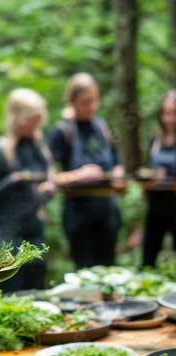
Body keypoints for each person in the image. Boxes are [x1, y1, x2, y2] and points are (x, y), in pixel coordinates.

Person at [48, 72, 124, 270]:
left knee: (109, 268)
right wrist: (80, 174)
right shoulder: (62, 131)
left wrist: (117, 173)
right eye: (86, 102)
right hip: (78, 214)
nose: (92, 106)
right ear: (72, 101)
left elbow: (117, 162)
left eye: (94, 100)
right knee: (85, 270)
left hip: (107, 211)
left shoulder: (101, 126)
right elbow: (49, 176)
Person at [0, 88, 55, 292]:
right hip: (6, 238)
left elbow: (50, 182)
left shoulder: (39, 148)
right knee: (10, 295)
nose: (36, 126)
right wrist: (12, 181)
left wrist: (50, 188)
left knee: (37, 294)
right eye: (32, 121)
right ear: (19, 119)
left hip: (35, 236)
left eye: (38, 121)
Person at [142, 90, 176, 267]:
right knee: (148, 257)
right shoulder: (155, 137)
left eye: (173, 112)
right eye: (165, 112)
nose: (168, 118)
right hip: (156, 204)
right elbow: (149, 166)